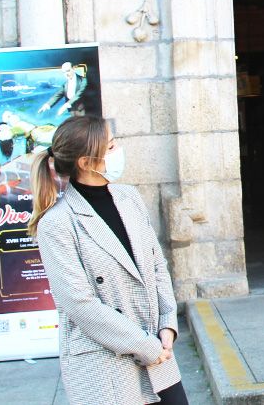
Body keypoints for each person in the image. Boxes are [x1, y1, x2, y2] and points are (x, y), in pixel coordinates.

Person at [28, 116, 188, 404]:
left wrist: (167, 323)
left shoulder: (129, 197)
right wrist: (145, 345)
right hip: (105, 362)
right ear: (87, 163)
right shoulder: (57, 223)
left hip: (158, 354)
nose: (119, 150)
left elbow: (155, 265)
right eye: (111, 146)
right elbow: (79, 303)